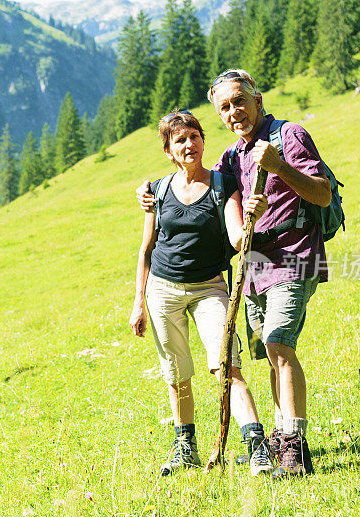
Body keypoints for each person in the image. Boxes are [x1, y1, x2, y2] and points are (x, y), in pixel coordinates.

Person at [136, 70, 331, 477]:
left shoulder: (288, 135)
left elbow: (322, 193)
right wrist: (149, 194)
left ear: (257, 99)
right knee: (267, 352)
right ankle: (278, 440)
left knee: (278, 343)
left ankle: (294, 446)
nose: (233, 111)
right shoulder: (232, 157)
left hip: (294, 255)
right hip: (255, 265)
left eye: (239, 101)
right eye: (224, 107)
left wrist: (280, 167)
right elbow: (210, 190)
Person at [129, 109, 271, 477]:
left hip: (210, 287)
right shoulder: (158, 191)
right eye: (180, 140)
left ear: (203, 141)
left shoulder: (223, 186)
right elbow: (146, 250)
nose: (189, 144)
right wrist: (138, 303)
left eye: (194, 136)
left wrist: (254, 215)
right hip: (162, 289)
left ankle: (257, 447)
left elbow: (238, 238)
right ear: (169, 151)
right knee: (177, 374)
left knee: (228, 366)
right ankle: (185, 447)